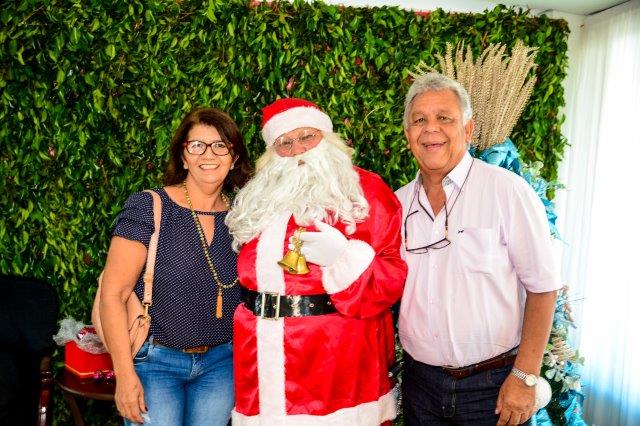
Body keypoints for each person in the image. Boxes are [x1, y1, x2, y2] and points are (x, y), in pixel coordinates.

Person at [225, 98, 407, 425]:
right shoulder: (259, 199)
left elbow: (391, 279)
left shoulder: (366, 191)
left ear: (328, 137)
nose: (297, 149)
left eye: (307, 136)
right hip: (260, 356)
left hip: (335, 361)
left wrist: (344, 257)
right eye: (284, 143)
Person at [395, 72, 560, 426]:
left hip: (493, 388)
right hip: (420, 387)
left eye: (444, 118)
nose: (431, 128)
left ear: (468, 129)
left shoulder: (506, 191)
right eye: (419, 120)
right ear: (408, 135)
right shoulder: (397, 204)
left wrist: (525, 376)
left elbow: (544, 288)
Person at [99, 107, 251, 425]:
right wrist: (124, 375)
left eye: (220, 145)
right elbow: (114, 294)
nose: (208, 154)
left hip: (222, 365)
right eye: (196, 145)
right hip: (155, 363)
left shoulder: (245, 215)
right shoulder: (149, 206)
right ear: (183, 157)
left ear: (234, 157)